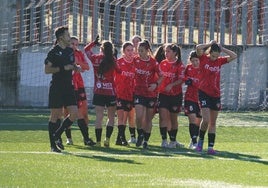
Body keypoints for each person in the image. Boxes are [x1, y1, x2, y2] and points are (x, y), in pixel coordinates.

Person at [196, 40, 237, 154]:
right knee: (206, 120)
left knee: (213, 123)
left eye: (217, 56)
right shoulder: (203, 58)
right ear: (210, 53)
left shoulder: (219, 61)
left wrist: (222, 49)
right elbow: (198, 47)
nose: (215, 58)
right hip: (203, 92)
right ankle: (200, 142)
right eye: (213, 55)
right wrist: (210, 44)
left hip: (215, 94)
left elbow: (234, 56)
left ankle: (210, 148)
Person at [44, 26, 80, 152]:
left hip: (68, 87)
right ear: (61, 38)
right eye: (67, 35)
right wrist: (62, 68)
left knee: (74, 113)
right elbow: (47, 70)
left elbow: (71, 64)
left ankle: (57, 134)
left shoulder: (70, 51)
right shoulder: (53, 52)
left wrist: (76, 67)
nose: (69, 37)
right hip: (57, 87)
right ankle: (53, 145)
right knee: (55, 115)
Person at [84, 36, 119, 147]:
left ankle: (98, 142)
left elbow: (86, 50)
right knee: (111, 117)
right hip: (111, 92)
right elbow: (120, 71)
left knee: (99, 117)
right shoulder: (112, 60)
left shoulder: (95, 58)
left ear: (101, 49)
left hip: (98, 91)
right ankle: (107, 140)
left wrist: (93, 43)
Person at [63, 36, 96, 146]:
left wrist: (78, 63)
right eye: (72, 43)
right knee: (67, 112)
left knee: (83, 113)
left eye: (76, 44)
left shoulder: (79, 54)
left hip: (79, 85)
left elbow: (86, 67)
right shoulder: (65, 54)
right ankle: (69, 138)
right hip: (67, 85)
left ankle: (85, 137)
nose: (74, 46)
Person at [152, 43, 185, 149]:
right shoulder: (162, 63)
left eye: (168, 51)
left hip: (175, 95)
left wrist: (172, 84)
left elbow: (181, 79)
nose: (166, 53)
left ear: (175, 53)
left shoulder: (180, 65)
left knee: (173, 119)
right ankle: (164, 140)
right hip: (163, 94)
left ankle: (173, 140)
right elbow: (159, 76)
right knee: (163, 117)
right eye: (165, 51)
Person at [134, 39, 159, 149]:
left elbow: (162, 75)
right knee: (139, 116)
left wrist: (156, 85)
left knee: (148, 119)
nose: (140, 53)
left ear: (147, 51)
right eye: (138, 50)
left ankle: (146, 141)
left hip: (150, 94)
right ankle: (140, 133)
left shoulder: (153, 62)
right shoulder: (135, 60)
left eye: (142, 51)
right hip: (138, 92)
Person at [115, 41, 135, 146]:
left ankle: (119, 139)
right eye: (128, 50)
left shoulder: (135, 63)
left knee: (125, 117)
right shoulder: (119, 62)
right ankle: (123, 139)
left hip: (130, 93)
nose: (130, 52)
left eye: (132, 50)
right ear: (123, 51)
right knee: (121, 116)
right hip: (119, 93)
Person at [184, 51, 202, 149]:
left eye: (196, 60)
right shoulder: (188, 68)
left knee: (198, 121)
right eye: (193, 61)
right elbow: (183, 76)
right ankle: (195, 142)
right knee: (192, 119)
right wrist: (186, 79)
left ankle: (193, 139)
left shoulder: (203, 69)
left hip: (201, 98)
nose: (195, 62)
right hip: (189, 98)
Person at [127, 35, 142, 143]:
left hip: (140, 90)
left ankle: (141, 135)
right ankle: (132, 136)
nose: (135, 44)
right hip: (129, 89)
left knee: (140, 115)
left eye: (137, 42)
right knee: (130, 114)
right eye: (134, 42)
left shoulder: (143, 58)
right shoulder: (128, 58)